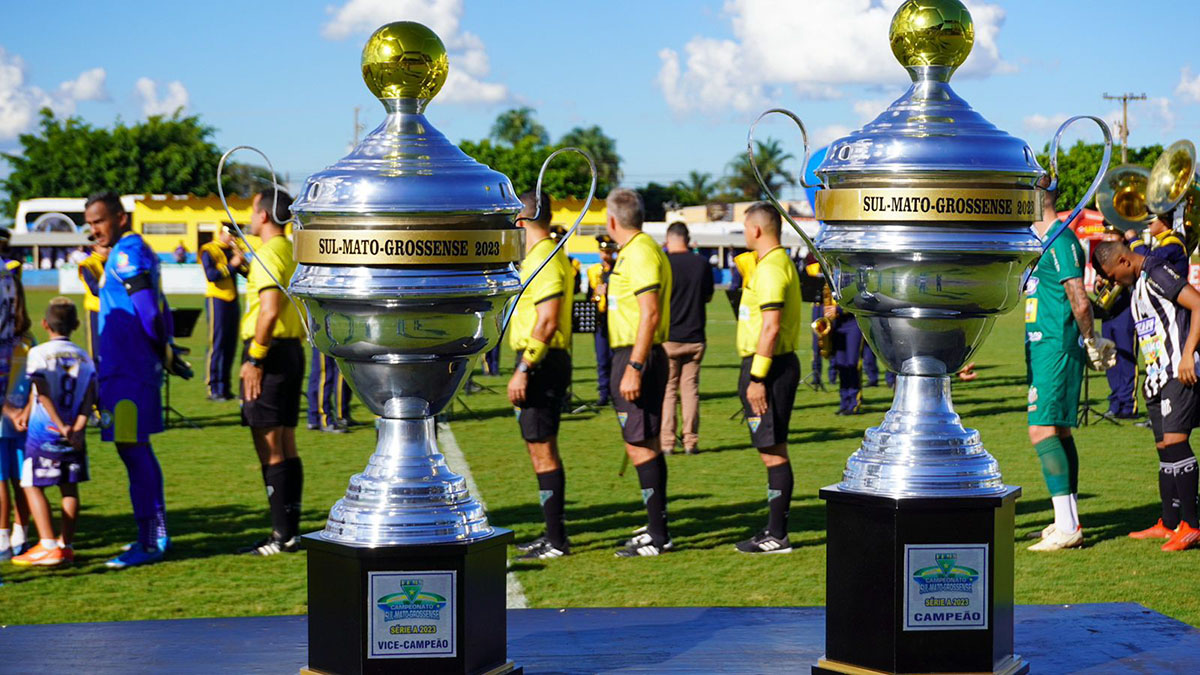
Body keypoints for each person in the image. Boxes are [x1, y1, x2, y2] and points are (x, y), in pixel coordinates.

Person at [89, 191, 188, 568]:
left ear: (120, 218)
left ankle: (149, 541)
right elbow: (158, 308)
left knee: (133, 450)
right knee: (134, 449)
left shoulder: (128, 253)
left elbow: (148, 311)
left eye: (99, 221)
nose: (94, 229)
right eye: (90, 223)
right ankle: (154, 535)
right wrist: (166, 351)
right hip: (126, 371)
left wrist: (162, 348)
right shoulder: (128, 252)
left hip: (128, 374)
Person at [1024, 181, 1115, 552]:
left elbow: (1079, 299)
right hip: (1043, 345)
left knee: (1042, 431)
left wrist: (1090, 340)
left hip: (1056, 346)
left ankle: (1067, 525)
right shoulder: (1041, 240)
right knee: (1059, 431)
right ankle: (1068, 519)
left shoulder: (1061, 240)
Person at [1093, 239, 1200, 551]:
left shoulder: (1155, 272)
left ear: (1126, 262)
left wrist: (1188, 353)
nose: (1113, 281)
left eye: (1113, 275)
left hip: (1177, 370)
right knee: (1164, 447)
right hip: (1156, 375)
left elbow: (1197, 304)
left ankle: (1192, 525)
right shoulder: (1138, 283)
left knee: (1177, 442)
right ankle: (1169, 523)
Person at [604, 188, 673, 557]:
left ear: (613, 220)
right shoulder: (633, 251)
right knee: (641, 443)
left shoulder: (642, 251)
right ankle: (655, 525)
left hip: (637, 355)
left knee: (640, 445)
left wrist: (634, 365)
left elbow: (650, 313)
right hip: (630, 353)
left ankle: (659, 535)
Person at [507, 191, 574, 560]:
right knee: (538, 449)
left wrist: (523, 369)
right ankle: (552, 535)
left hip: (541, 362)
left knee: (543, 450)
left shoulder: (546, 259)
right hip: (538, 360)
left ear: (521, 221)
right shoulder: (538, 257)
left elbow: (547, 321)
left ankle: (556, 540)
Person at [239, 188, 305, 556]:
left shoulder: (269, 253)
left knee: (270, 445)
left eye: (251, 210)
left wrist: (254, 359)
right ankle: (288, 532)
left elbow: (269, 310)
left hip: (271, 353)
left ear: (263, 215)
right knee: (286, 441)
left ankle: (280, 536)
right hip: (291, 352)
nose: (249, 216)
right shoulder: (290, 251)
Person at [734, 203, 801, 554]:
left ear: (757, 230)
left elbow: (771, 328)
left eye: (745, 227)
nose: (744, 233)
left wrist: (757, 377)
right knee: (769, 449)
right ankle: (774, 530)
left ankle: (778, 534)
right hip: (766, 365)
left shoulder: (773, 267)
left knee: (773, 451)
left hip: (770, 367)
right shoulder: (766, 264)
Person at [11, 298, 97, 567]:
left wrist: (59, 424)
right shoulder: (85, 357)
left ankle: (47, 543)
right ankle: (66, 545)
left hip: (45, 431)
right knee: (68, 487)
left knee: (31, 484)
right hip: (74, 434)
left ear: (45, 324)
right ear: (77, 325)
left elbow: (43, 392)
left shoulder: (39, 353)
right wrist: (78, 428)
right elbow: (88, 397)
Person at [661, 222, 713, 455]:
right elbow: (708, 296)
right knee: (690, 390)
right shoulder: (701, 263)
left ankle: (667, 442)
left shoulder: (663, 263)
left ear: (669, 239)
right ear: (687, 238)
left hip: (669, 336)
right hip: (695, 336)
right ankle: (691, 441)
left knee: (669, 391)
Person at [0, 257, 31, 559]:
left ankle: (3, 539)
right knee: (23, 481)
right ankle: (22, 533)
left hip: (3, 416)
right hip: (25, 420)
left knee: (0, 482)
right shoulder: (29, 342)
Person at [199, 229, 247, 401]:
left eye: (235, 236)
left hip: (232, 300)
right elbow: (211, 275)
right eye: (230, 235)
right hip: (216, 300)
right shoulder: (208, 250)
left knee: (230, 345)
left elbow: (248, 273)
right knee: (217, 344)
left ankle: (225, 388)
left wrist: (241, 256)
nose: (233, 239)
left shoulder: (232, 252)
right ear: (221, 233)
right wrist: (233, 265)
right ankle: (213, 388)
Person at [586, 236, 617, 406]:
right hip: (599, 321)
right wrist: (595, 294)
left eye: (608, 252)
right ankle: (604, 393)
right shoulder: (594, 271)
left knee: (616, 359)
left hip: (615, 320)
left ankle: (616, 394)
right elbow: (587, 299)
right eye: (603, 252)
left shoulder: (618, 271)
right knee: (602, 358)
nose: (605, 256)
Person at [306, 348, 351, 433]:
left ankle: (314, 418)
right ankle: (325, 420)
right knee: (325, 376)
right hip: (324, 338)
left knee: (322, 375)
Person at [77, 244, 109, 361]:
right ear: (95, 247)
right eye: (105, 247)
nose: (109, 250)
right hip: (95, 310)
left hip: (112, 309)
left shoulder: (113, 262)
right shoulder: (88, 264)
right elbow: (94, 289)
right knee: (96, 347)